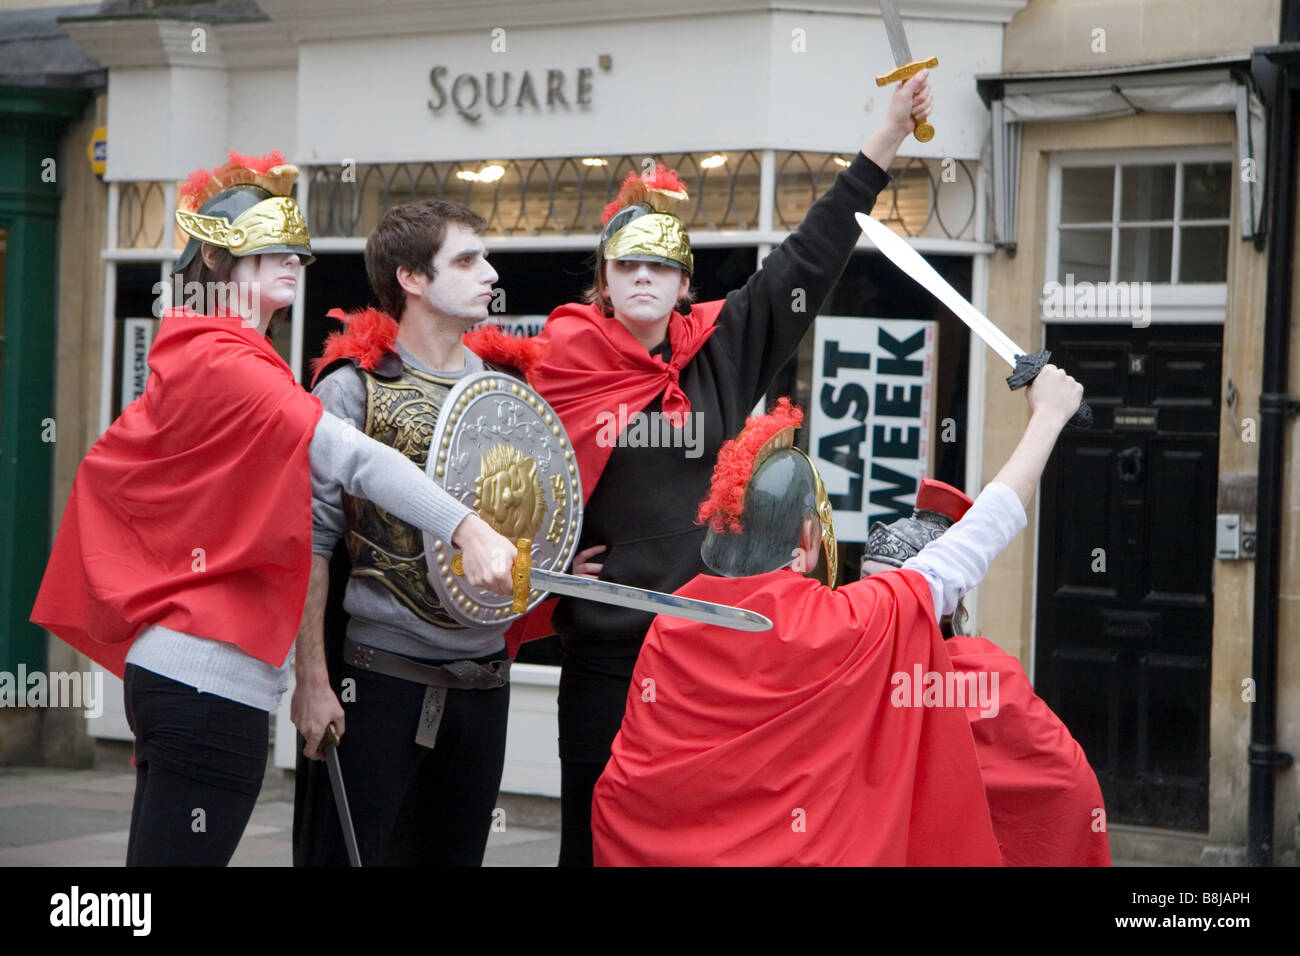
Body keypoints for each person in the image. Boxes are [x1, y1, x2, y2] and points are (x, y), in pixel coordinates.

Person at [466, 70, 935, 866]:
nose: (642, 279)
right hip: (606, 661)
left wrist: (886, 136)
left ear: (686, 284)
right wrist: (548, 558)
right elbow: (489, 478)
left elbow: (811, 255)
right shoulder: (557, 364)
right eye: (625, 267)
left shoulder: (720, 351)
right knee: (591, 848)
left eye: (660, 269)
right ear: (604, 283)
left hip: (708, 657)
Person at [30, 152, 515, 867]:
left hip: (201, 676)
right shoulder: (221, 359)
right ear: (222, 262)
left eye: (294, 248)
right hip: (204, 675)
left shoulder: (221, 355)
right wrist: (466, 525)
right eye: (268, 249)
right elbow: (351, 456)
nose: (291, 259)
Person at [589, 363, 1085, 866]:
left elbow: (641, 782)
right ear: (808, 540)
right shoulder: (842, 624)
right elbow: (979, 538)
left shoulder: (670, 626)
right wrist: (1047, 417)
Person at [291, 199, 600, 866]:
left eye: (484, 256)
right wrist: (312, 681)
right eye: (466, 260)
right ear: (411, 279)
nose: (490, 273)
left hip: (484, 683)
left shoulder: (508, 392)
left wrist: (555, 567)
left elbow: (522, 518)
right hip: (376, 681)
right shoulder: (351, 391)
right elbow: (311, 542)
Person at [861, 479, 1111, 866]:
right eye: (863, 583)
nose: (868, 602)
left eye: (884, 589)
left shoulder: (984, 676)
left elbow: (1068, 784)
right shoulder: (851, 668)